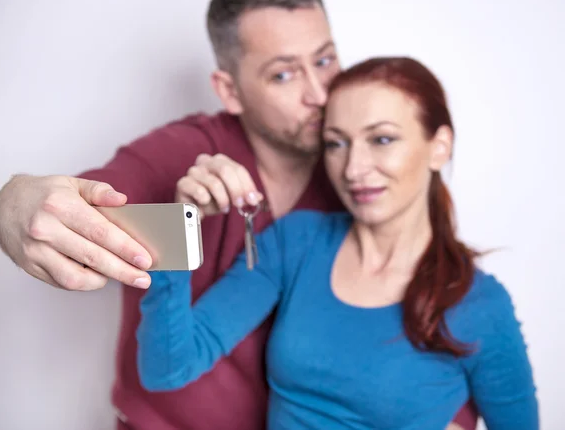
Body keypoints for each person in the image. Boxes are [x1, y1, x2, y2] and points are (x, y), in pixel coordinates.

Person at [0, 0, 478, 429]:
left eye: (325, 60)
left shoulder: (356, 176)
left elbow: (426, 294)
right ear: (229, 90)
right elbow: (82, 201)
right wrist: (16, 202)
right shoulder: (180, 154)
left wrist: (451, 415)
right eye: (283, 74)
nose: (320, 94)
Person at [137, 56, 539, 429]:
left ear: (439, 147)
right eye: (336, 143)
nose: (354, 168)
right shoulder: (296, 242)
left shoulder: (480, 305)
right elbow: (168, 368)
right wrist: (178, 224)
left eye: (381, 139)